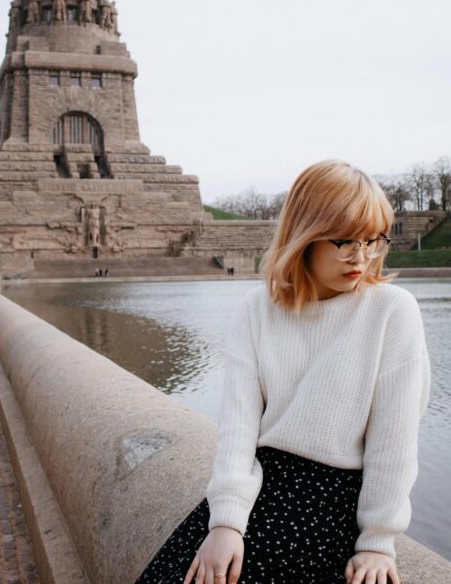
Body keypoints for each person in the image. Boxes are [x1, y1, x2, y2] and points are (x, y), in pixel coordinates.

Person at [136, 160, 430, 584]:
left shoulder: (392, 310)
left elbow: (394, 439)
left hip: (335, 500)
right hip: (258, 485)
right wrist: (225, 523)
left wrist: (378, 542)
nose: (361, 257)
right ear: (304, 236)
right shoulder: (256, 310)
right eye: (345, 241)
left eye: (373, 241)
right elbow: (239, 429)